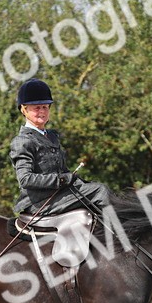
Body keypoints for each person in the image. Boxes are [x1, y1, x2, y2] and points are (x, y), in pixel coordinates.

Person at [9, 78, 110, 216]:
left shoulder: (52, 136)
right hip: (40, 202)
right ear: (24, 110)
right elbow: (25, 179)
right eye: (37, 108)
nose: (42, 112)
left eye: (45, 107)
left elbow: (61, 169)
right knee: (100, 191)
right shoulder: (22, 141)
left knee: (98, 188)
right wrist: (62, 179)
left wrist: (75, 180)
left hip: (60, 194)